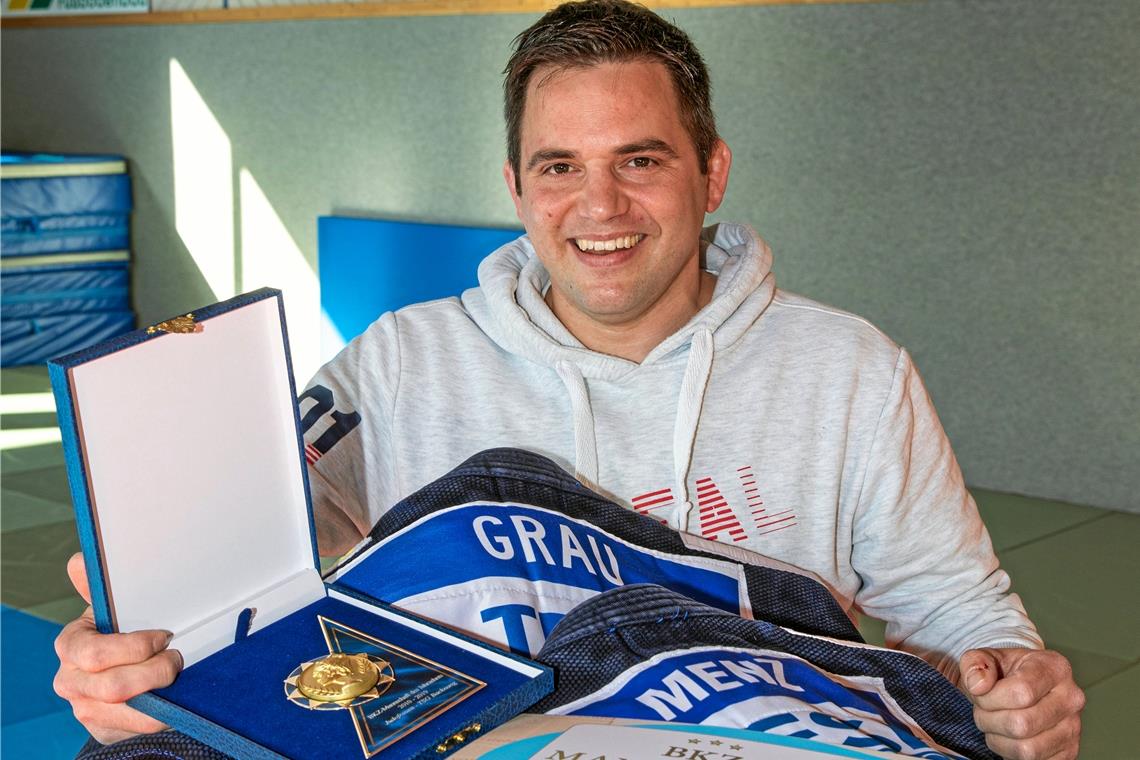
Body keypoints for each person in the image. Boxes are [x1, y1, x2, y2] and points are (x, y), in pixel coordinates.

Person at [54, 1, 1084, 758]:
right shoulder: (405, 359)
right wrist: (138, 650)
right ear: (515, 185)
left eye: (640, 160)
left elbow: (962, 612)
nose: (600, 207)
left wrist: (1015, 682)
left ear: (710, 172)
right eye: (559, 167)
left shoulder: (850, 371)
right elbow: (260, 554)